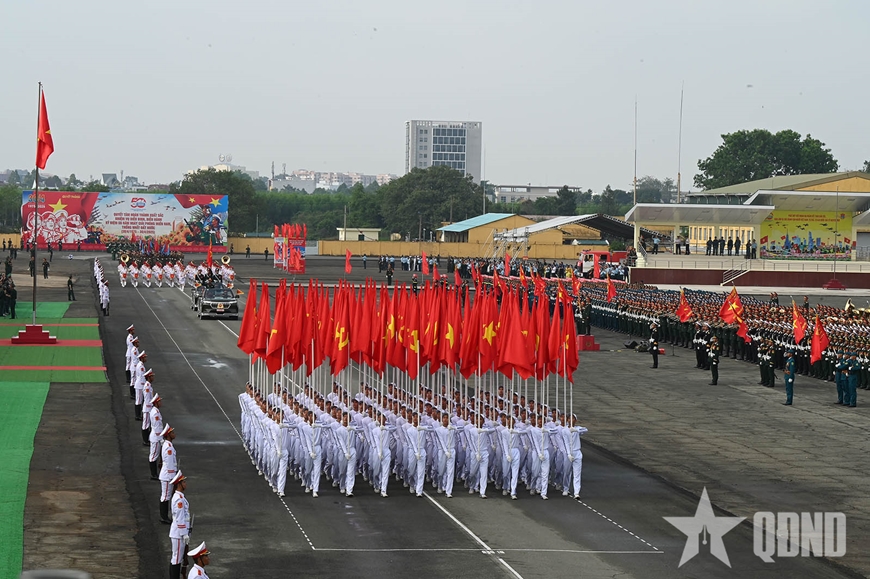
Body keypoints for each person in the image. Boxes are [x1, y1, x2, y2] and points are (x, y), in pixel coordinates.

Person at [169, 471, 190, 579]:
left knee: (177, 557)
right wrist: (184, 533)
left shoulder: (179, 497)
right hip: (178, 533)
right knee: (176, 558)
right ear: (179, 484)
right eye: (184, 482)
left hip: (179, 532)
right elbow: (180, 518)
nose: (185, 484)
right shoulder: (179, 499)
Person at [159, 424, 178, 524]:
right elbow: (170, 464)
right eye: (172, 433)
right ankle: (164, 516)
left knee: (166, 496)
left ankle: (165, 516)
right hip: (167, 476)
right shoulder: (168, 447)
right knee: (165, 496)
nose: (174, 434)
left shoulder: (168, 445)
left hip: (167, 474)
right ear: (168, 435)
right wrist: (173, 478)